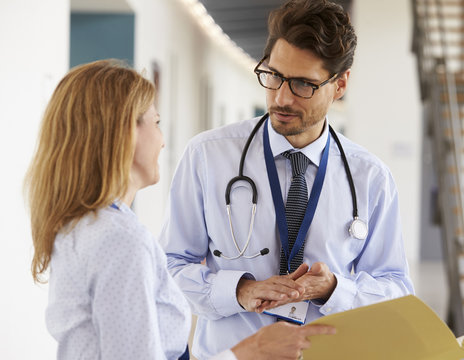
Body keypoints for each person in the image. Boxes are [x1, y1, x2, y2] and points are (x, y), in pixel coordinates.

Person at [25, 59, 334, 360]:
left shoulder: (86, 225)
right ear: (124, 133)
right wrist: (248, 353)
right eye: (156, 123)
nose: (162, 141)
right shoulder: (119, 241)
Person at [161, 0, 415, 358]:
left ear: (340, 84)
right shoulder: (208, 156)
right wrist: (238, 290)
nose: (281, 97)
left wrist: (334, 290)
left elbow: (397, 290)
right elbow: (169, 269)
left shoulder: (370, 177)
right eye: (274, 76)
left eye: (302, 85)